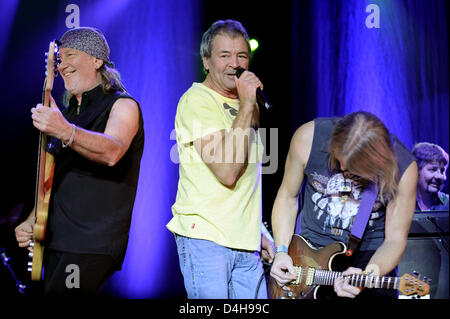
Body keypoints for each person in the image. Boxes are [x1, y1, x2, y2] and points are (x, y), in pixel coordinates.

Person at [14, 27, 144, 296]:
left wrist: (65, 132)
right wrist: (33, 219)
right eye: (59, 59)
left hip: (90, 244)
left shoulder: (122, 105)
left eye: (70, 55)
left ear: (97, 60)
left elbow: (112, 151)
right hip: (58, 241)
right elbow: (55, 179)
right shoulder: (69, 114)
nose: (62, 65)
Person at [167, 19, 274, 299]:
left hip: (245, 242)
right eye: (224, 55)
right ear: (206, 61)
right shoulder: (196, 100)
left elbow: (245, 177)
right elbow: (227, 172)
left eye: (241, 56)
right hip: (206, 239)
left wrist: (256, 230)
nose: (234, 64)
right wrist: (248, 105)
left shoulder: (248, 106)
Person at [270, 111, 418, 299]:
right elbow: (287, 197)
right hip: (307, 255)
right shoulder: (307, 138)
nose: (341, 169)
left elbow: (395, 240)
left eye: (351, 170)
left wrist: (368, 274)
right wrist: (281, 251)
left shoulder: (403, 167)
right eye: (338, 161)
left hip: (369, 256)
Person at [412, 142, 449, 211]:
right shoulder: (400, 204)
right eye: (433, 169)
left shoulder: (448, 204)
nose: (440, 176)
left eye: (442, 171)